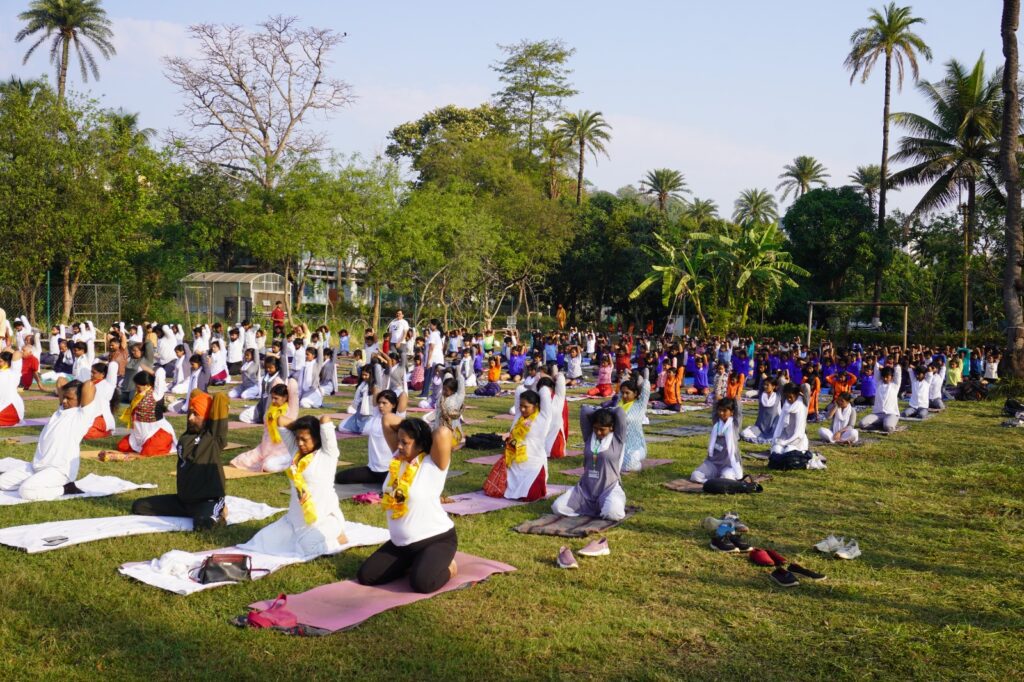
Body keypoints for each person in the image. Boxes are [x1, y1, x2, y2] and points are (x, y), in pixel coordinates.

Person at [357, 417, 457, 594]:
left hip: (436, 539)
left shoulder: (433, 465)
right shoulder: (398, 459)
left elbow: (443, 433)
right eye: (398, 440)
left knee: (422, 583)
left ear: (420, 445)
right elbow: (387, 420)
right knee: (366, 576)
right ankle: (416, 562)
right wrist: (408, 428)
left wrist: (420, 428)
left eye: (405, 442)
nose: (399, 446)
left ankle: (450, 567)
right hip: (401, 544)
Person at [240, 414, 349, 559]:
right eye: (297, 438)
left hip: (325, 518)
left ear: (317, 438)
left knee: (306, 547)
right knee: (262, 541)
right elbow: (281, 420)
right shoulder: (295, 450)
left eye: (305, 439)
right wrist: (300, 427)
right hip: (295, 520)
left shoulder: (328, 453)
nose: (300, 443)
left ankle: (338, 539)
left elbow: (325, 419)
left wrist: (311, 426)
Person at [131, 391, 229, 529]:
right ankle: (198, 513)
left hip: (207, 500)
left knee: (204, 525)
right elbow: (194, 395)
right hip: (183, 501)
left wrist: (207, 402)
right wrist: (194, 400)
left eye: (196, 414)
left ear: (207, 417)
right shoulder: (186, 437)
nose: (190, 418)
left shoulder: (213, 438)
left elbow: (220, 398)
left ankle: (219, 511)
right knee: (139, 506)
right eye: (190, 413)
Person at [0, 379, 100, 500]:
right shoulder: (61, 410)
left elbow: (89, 385)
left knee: (25, 491)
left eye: (69, 398)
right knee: (2, 482)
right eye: (64, 397)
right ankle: (36, 481)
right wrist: (70, 389)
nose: (64, 400)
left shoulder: (82, 416)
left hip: (58, 471)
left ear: (80, 400)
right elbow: (60, 381)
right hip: (37, 466)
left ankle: (66, 488)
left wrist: (79, 387)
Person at [551, 405, 627, 521]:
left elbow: (620, 412)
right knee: (557, 507)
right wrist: (600, 411)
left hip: (609, 489)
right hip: (585, 491)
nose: (598, 432)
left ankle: (608, 505)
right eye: (595, 428)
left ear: (611, 427)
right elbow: (584, 410)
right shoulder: (589, 436)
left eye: (602, 429)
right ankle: (592, 508)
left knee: (613, 514)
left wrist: (608, 411)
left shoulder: (618, 439)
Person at [99, 370, 177, 460]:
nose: (136, 388)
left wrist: (152, 372)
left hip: (157, 431)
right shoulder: (138, 395)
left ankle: (149, 450)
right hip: (140, 431)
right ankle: (142, 448)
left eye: (138, 386)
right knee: (122, 446)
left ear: (147, 385)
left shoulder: (156, 394)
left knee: (148, 451)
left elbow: (160, 372)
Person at [489, 388, 551, 501]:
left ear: (536, 406)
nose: (522, 409)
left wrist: (539, 383)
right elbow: (519, 390)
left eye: (526, 407)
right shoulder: (519, 417)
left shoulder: (543, 418)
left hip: (534, 463)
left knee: (531, 496)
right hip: (515, 462)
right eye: (520, 406)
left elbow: (545, 392)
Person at [230, 379, 300, 473]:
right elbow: (276, 380)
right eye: (272, 398)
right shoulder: (271, 409)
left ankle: (292, 462)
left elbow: (293, 385)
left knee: (268, 466)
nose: (273, 401)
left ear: (285, 397)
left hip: (283, 451)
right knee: (240, 461)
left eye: (276, 398)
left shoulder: (290, 410)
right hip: (264, 449)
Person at [335, 389, 402, 484]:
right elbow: (376, 389)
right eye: (379, 403)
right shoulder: (376, 414)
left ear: (394, 405)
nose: (380, 406)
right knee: (340, 478)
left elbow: (404, 396)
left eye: (384, 403)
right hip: (372, 470)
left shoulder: (397, 418)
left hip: (389, 470)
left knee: (392, 488)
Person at [690, 397, 743, 483]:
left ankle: (717, 481)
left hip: (729, 465)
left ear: (732, 412)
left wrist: (736, 401)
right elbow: (714, 412)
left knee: (727, 477)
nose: (721, 413)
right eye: (720, 410)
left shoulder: (734, 425)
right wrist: (716, 400)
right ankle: (712, 483)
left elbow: (739, 413)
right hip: (712, 463)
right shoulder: (717, 424)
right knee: (695, 475)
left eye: (724, 411)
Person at [860, 363, 902, 433]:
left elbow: (898, 370)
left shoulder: (895, 385)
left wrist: (891, 367)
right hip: (877, 414)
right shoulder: (879, 383)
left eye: (887, 377)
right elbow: (876, 367)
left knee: (888, 427)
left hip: (891, 413)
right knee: (862, 424)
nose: (885, 379)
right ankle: (880, 425)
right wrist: (881, 368)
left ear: (892, 377)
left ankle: (886, 424)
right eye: (883, 377)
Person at [771, 383, 809, 454]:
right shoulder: (786, 405)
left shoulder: (801, 406)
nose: (788, 399)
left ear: (797, 395)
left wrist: (785, 443)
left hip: (797, 440)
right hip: (786, 436)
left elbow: (798, 433)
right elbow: (781, 427)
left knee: (789, 451)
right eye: (786, 397)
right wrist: (780, 441)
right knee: (776, 450)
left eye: (791, 397)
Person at [740, 377, 780, 444]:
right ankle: (761, 439)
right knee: (744, 433)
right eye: (764, 385)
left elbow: (782, 383)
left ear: (773, 386)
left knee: (776, 437)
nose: (765, 386)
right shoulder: (762, 394)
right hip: (759, 428)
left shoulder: (778, 396)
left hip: (773, 428)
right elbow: (760, 384)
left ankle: (765, 439)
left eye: (767, 385)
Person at [0, 350, 26, 426]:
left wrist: (7, 350)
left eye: (0, 361)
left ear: (7, 362)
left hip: (9, 407)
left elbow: (17, 353)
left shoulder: (14, 371)